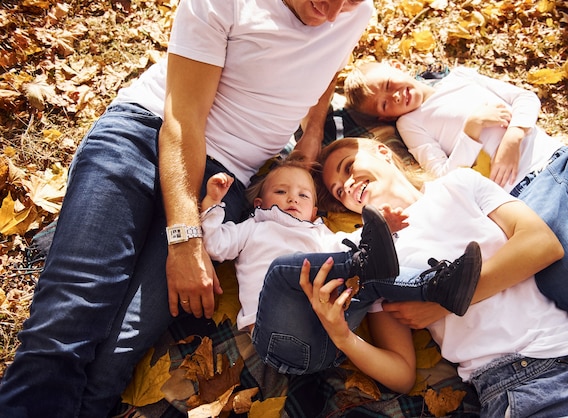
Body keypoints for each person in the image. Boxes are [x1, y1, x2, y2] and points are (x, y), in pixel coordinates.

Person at [0, 0, 376, 416]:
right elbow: (182, 120)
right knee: (66, 328)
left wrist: (313, 131)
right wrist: (184, 239)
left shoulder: (353, 13)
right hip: (145, 137)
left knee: (114, 357)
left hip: (224, 180)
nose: (333, 12)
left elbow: (328, 61)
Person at [252, 134, 568, 415]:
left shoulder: (459, 184)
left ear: (382, 151)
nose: (348, 184)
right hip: (520, 382)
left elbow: (542, 244)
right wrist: (343, 337)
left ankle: (440, 286)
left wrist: (442, 305)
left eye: (349, 168)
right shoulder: (370, 250)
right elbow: (402, 374)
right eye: (339, 189)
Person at [343, 61, 568, 292]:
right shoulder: (411, 123)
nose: (394, 96)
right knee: (559, 271)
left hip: (561, 156)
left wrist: (513, 137)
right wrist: (471, 130)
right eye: (384, 104)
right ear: (384, 119)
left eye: (389, 85)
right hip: (527, 189)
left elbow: (524, 98)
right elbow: (444, 175)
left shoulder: (460, 76)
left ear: (396, 66)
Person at [200, 153, 482, 332]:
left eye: (303, 195)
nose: (292, 199)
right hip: (274, 326)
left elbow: (348, 243)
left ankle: (434, 286)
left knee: (365, 270)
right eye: (281, 191)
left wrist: (381, 228)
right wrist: (213, 203)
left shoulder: (318, 236)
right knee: (289, 268)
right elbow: (214, 245)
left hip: (325, 330)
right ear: (260, 203)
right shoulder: (253, 228)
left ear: (314, 212)